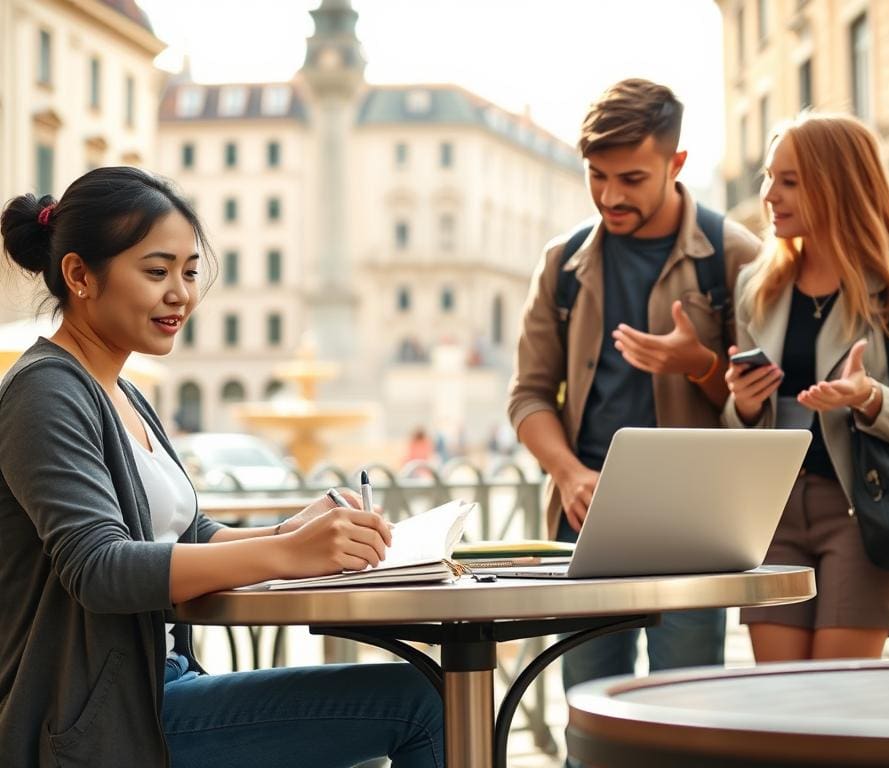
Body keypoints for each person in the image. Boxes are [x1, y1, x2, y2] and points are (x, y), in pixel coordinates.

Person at [0, 167, 443, 768]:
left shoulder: (122, 392)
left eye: (188, 271)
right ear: (80, 275)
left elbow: (191, 537)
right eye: (156, 272)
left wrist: (291, 532)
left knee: (412, 701)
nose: (180, 293)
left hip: (162, 687)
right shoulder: (45, 392)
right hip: (96, 722)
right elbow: (99, 568)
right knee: (418, 703)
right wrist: (288, 556)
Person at [507, 78, 761, 765]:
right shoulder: (562, 263)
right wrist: (568, 473)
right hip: (585, 531)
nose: (610, 196)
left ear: (677, 164)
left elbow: (763, 412)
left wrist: (701, 365)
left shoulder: (735, 256)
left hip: (696, 531)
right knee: (590, 725)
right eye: (596, 177)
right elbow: (528, 396)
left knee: (689, 722)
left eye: (632, 178)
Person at [723, 113, 889, 662]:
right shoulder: (758, 285)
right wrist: (745, 406)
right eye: (768, 178)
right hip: (771, 516)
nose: (768, 195)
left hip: (862, 510)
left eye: (790, 181)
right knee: (780, 701)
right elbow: (739, 426)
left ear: (839, 183)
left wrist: (869, 397)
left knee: (832, 701)